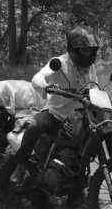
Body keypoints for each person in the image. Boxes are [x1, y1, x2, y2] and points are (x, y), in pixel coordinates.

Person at [6, 26, 99, 185]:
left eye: (90, 50)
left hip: (78, 117)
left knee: (88, 144)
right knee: (34, 126)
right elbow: (38, 77)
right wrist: (46, 86)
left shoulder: (90, 68)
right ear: (74, 50)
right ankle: (21, 165)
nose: (88, 53)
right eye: (84, 50)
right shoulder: (59, 63)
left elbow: (95, 86)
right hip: (56, 114)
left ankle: (77, 183)